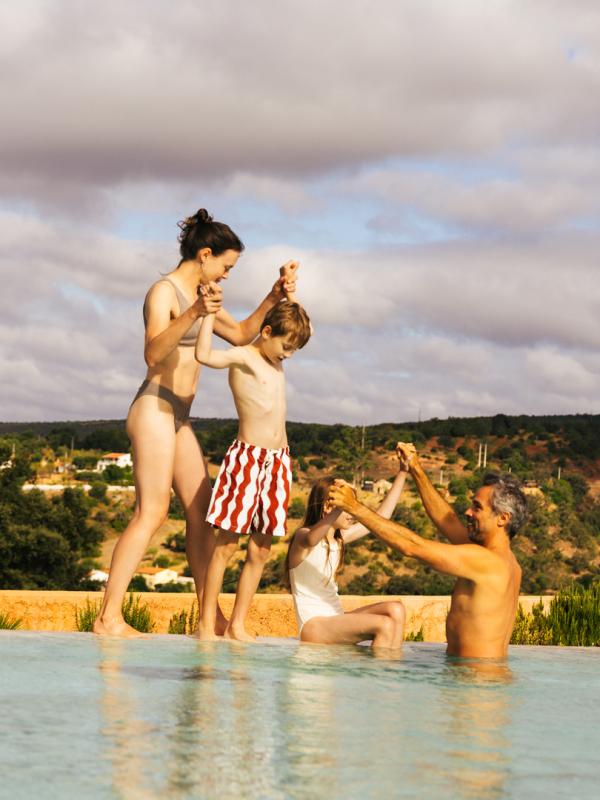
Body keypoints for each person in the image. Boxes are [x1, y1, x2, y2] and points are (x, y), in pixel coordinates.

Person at [94, 209, 297, 637]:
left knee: (203, 512)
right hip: (154, 406)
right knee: (151, 512)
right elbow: (152, 354)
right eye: (225, 267)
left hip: (180, 415)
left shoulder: (205, 295)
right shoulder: (164, 292)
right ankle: (108, 617)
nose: (225, 277)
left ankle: (211, 618)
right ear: (205, 254)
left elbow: (242, 334)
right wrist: (194, 314)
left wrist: (273, 297)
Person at [328, 444, 528, 658]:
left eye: (477, 507)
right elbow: (447, 521)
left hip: (473, 683)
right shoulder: (506, 561)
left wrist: (355, 507)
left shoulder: (485, 561)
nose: (467, 512)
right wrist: (415, 468)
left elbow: (412, 546)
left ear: (503, 518)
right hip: (483, 679)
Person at [195, 299, 312, 641]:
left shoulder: (277, 361)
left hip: (277, 463)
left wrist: (287, 288)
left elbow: (291, 318)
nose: (288, 355)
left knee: (260, 549)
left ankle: (237, 625)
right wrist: (207, 316)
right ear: (265, 333)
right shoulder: (244, 356)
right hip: (247, 459)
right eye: (286, 347)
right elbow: (205, 356)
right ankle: (205, 623)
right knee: (226, 545)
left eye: (294, 350)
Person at [286, 459, 410, 649]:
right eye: (348, 508)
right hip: (313, 625)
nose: (352, 512)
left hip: (336, 619)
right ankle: (383, 676)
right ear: (329, 507)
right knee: (383, 625)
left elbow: (382, 517)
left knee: (396, 609)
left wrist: (403, 471)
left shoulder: (339, 539)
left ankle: (390, 667)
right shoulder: (303, 537)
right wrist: (341, 507)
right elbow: (312, 539)